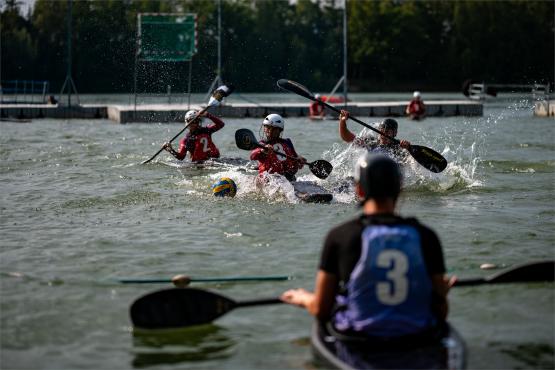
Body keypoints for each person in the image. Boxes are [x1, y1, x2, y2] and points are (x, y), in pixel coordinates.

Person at [281, 153, 455, 341]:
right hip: (416, 337)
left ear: (359, 190)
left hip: (360, 341)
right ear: (399, 188)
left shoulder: (340, 236)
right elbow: (441, 312)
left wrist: (302, 298)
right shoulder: (426, 236)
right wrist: (441, 294)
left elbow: (321, 310)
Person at [250, 113, 306, 182]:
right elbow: (252, 156)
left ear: (280, 130)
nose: (270, 131)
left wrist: (300, 160)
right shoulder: (261, 144)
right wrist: (262, 150)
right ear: (264, 128)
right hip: (269, 181)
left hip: (288, 179)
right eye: (268, 127)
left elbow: (295, 160)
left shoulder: (287, 142)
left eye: (274, 129)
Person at [339, 110, 411, 159]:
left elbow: (409, 161)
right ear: (379, 130)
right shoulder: (371, 142)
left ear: (394, 134)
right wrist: (342, 121)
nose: (384, 135)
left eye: (388, 132)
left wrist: (408, 149)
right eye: (382, 131)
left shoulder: (398, 147)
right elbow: (347, 138)